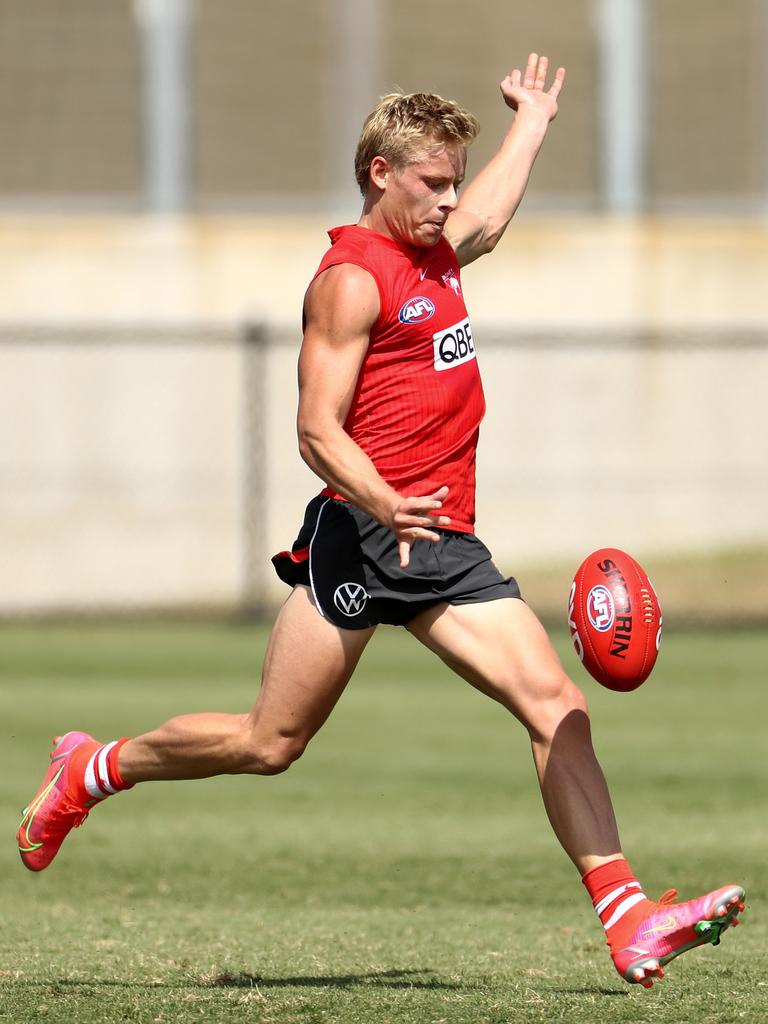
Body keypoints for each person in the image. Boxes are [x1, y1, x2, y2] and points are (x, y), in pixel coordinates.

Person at [18, 54, 744, 989]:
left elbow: (489, 214)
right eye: (431, 184)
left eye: (451, 183)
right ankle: (92, 768)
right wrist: (382, 500)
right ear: (380, 174)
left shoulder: (435, 247)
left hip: (442, 544)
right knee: (269, 744)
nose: (449, 202)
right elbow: (315, 429)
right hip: (362, 534)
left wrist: (531, 122)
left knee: (557, 707)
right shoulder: (350, 277)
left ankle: (630, 921)